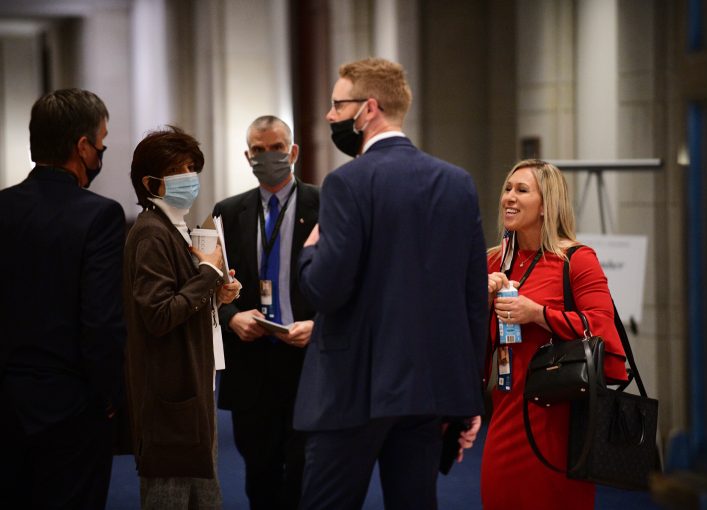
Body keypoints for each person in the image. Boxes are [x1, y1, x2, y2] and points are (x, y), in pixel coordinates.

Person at [295, 57, 486, 510]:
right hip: (426, 390)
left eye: (338, 104)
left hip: (351, 390)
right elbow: (473, 300)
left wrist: (308, 252)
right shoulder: (457, 183)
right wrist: (466, 399)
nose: (329, 115)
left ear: (369, 108)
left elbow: (325, 289)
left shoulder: (347, 183)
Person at [0, 88, 125, 509]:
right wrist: (109, 396)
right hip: (71, 410)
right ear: (83, 146)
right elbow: (101, 323)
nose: (102, 150)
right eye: (102, 142)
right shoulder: (100, 216)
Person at [481, 159, 629, 510]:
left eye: (521, 190)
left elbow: (601, 328)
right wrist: (479, 303)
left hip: (559, 419)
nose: (508, 198)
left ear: (547, 203)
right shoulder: (493, 262)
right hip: (503, 414)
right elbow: (465, 343)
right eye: (507, 188)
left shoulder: (576, 259)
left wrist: (539, 314)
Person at [123, 126, 241, 509]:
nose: (190, 177)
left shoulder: (174, 228)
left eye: (192, 167)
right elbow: (158, 314)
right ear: (151, 181)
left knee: (203, 498)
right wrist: (207, 274)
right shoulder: (151, 233)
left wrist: (216, 296)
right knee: (171, 499)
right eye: (179, 169)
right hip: (170, 399)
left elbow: (179, 306)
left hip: (192, 390)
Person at [214, 115, 319, 510]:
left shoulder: (325, 205)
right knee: (260, 477)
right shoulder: (228, 212)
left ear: (292, 152)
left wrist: (318, 326)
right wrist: (232, 318)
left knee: (303, 473)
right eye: (258, 150)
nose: (268, 156)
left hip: (307, 360)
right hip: (251, 364)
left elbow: (349, 285)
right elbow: (211, 288)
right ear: (247, 156)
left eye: (276, 148)